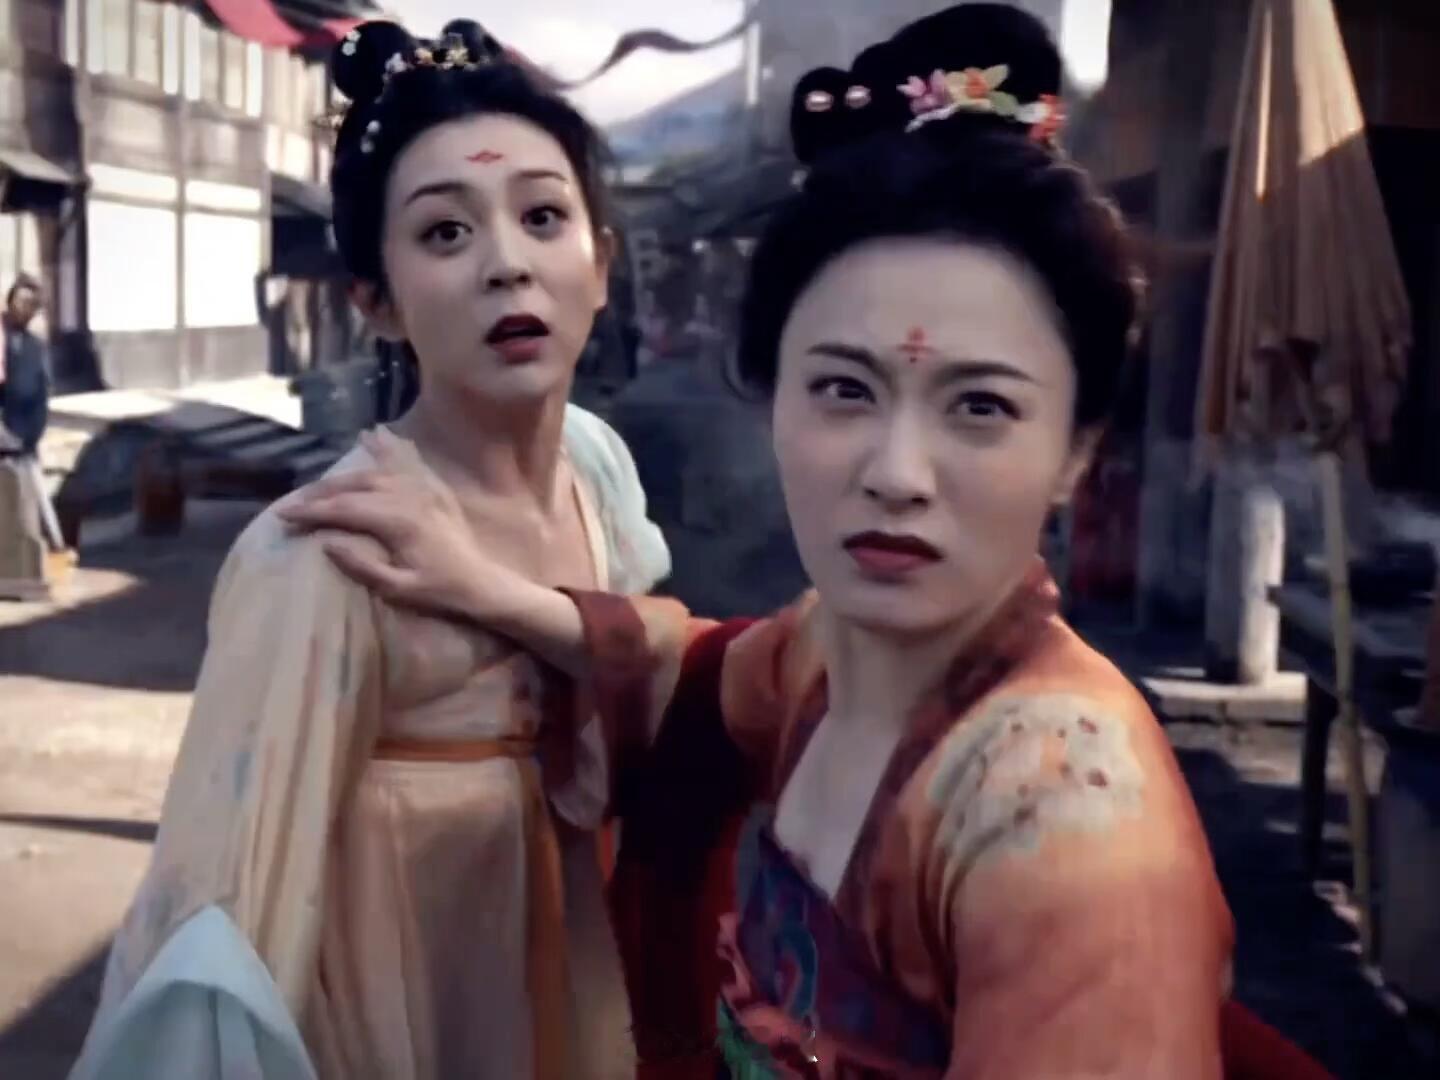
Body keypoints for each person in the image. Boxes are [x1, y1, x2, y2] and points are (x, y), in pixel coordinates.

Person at [282, 7, 1335, 1079]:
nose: (896, 472)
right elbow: (691, 673)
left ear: (1077, 449)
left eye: (979, 407)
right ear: (772, 394)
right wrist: (480, 586)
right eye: (844, 389)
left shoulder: (1068, 830)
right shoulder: (831, 655)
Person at [71, 19, 668, 1080]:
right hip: (411, 1027)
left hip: (598, 995)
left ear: (601, 264)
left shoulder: (599, 470)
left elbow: (683, 683)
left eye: (543, 216)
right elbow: (228, 903)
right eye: (445, 233)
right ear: (377, 302)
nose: (507, 265)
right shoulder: (328, 551)